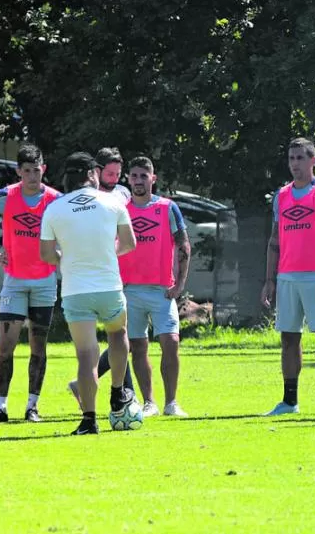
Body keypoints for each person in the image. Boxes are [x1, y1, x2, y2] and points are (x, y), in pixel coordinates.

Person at [40, 152, 137, 435]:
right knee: (118, 336)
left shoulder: (54, 209)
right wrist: (107, 253)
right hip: (108, 286)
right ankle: (118, 392)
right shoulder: (113, 202)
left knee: (86, 355)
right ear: (93, 173)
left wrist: (66, 261)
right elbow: (129, 244)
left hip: (75, 290)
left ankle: (88, 420)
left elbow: (46, 254)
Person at [0, 144, 61, 423]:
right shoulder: (4, 197)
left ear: (43, 169)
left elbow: (70, 232)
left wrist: (61, 256)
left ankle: (32, 407)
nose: (33, 177)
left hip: (45, 282)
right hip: (14, 282)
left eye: (37, 170)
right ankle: (0, 407)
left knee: (39, 346)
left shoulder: (57, 200)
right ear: (18, 172)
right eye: (27, 171)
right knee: (6, 345)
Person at [260, 138, 315, 416]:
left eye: (300, 158)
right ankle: (289, 401)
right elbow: (275, 239)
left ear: (313, 160)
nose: (294, 164)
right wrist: (270, 280)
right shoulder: (281, 195)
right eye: (291, 158)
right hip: (287, 277)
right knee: (289, 339)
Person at [117, 157, 192, 417]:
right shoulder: (120, 209)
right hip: (130, 290)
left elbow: (183, 245)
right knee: (138, 347)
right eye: (134, 176)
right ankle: (149, 402)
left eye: (143, 176)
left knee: (170, 342)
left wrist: (179, 284)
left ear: (153, 178)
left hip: (162, 290)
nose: (139, 180)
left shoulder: (167, 208)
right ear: (128, 179)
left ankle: (172, 402)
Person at [68, 148, 135, 406]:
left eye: (119, 173)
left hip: (117, 270)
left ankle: (120, 393)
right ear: (95, 172)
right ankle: (124, 396)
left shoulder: (119, 194)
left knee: (123, 336)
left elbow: (120, 199)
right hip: (98, 277)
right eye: (109, 173)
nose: (115, 178)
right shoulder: (79, 202)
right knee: (115, 338)